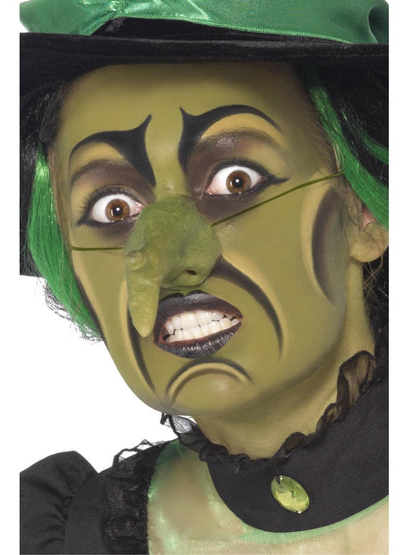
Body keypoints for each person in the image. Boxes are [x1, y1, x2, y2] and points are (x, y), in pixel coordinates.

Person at [20, 1, 388, 553]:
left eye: (235, 181)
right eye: (115, 209)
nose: (168, 261)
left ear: (366, 210)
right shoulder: (68, 535)